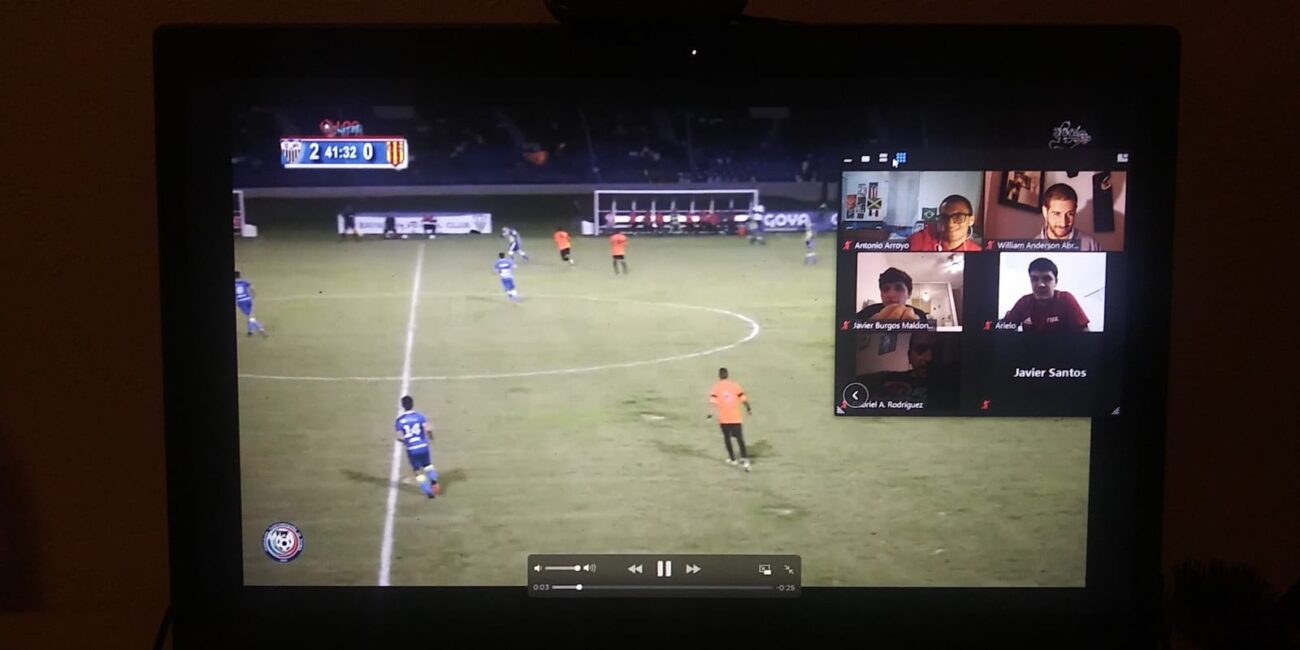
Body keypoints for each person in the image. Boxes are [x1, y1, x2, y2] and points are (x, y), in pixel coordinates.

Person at [854, 332, 958, 409]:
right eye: (920, 349)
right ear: (909, 356)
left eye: (936, 350)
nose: (929, 358)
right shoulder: (886, 378)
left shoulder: (951, 382)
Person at [1001, 257, 1090, 331]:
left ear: (1056, 282)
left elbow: (1085, 334)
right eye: (1034, 279)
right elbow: (1004, 331)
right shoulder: (1024, 302)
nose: (1040, 285)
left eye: (1047, 279)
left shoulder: (1066, 299)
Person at [394, 395, 440, 499]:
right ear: (412, 404)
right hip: (423, 445)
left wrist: (406, 442)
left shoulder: (399, 420)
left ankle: (428, 491)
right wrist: (431, 438)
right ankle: (433, 481)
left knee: (417, 471)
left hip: (412, 449)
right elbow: (428, 429)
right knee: (428, 465)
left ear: (402, 405)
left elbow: (399, 437)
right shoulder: (420, 416)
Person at [707, 368, 752, 471]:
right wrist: (748, 408)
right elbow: (744, 399)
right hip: (736, 418)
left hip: (724, 419)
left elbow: (713, 402)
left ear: (719, 376)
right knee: (740, 439)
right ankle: (745, 459)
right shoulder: (735, 386)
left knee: (727, 438)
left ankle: (732, 459)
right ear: (727, 375)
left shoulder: (716, 387)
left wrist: (710, 414)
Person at [907, 194, 982, 252]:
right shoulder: (921, 241)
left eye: (958, 217)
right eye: (944, 217)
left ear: (971, 220)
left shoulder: (976, 251)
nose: (950, 224)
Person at [1036, 184, 1100, 250]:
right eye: (1057, 214)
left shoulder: (1091, 245)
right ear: (1045, 212)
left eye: (1070, 214)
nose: (1063, 223)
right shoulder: (1031, 249)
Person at [854, 267, 929, 322]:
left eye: (899, 289)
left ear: (909, 294)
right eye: (885, 289)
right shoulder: (867, 313)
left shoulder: (920, 315)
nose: (891, 294)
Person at [234, 270, 268, 338]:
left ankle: (262, 330)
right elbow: (252, 287)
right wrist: (253, 295)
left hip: (241, 302)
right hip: (248, 299)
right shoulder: (244, 281)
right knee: (251, 316)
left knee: (251, 318)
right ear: (239, 276)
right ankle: (250, 331)